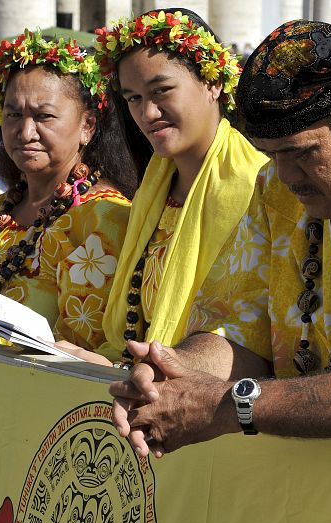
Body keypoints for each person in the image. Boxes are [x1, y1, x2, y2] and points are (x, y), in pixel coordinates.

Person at [111, 20, 331, 459]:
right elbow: (238, 326)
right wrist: (175, 374)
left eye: (303, 153)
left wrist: (231, 407)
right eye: (272, 155)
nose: (285, 176)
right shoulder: (273, 188)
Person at [56, 9, 267, 365]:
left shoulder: (255, 187)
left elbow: (248, 337)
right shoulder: (154, 187)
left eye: (162, 91)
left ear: (213, 82)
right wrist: (107, 364)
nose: (148, 113)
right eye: (134, 98)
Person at [0, 30, 136, 349]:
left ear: (88, 126)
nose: (25, 132)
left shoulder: (102, 218)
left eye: (44, 116)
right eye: (14, 114)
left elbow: (79, 348)